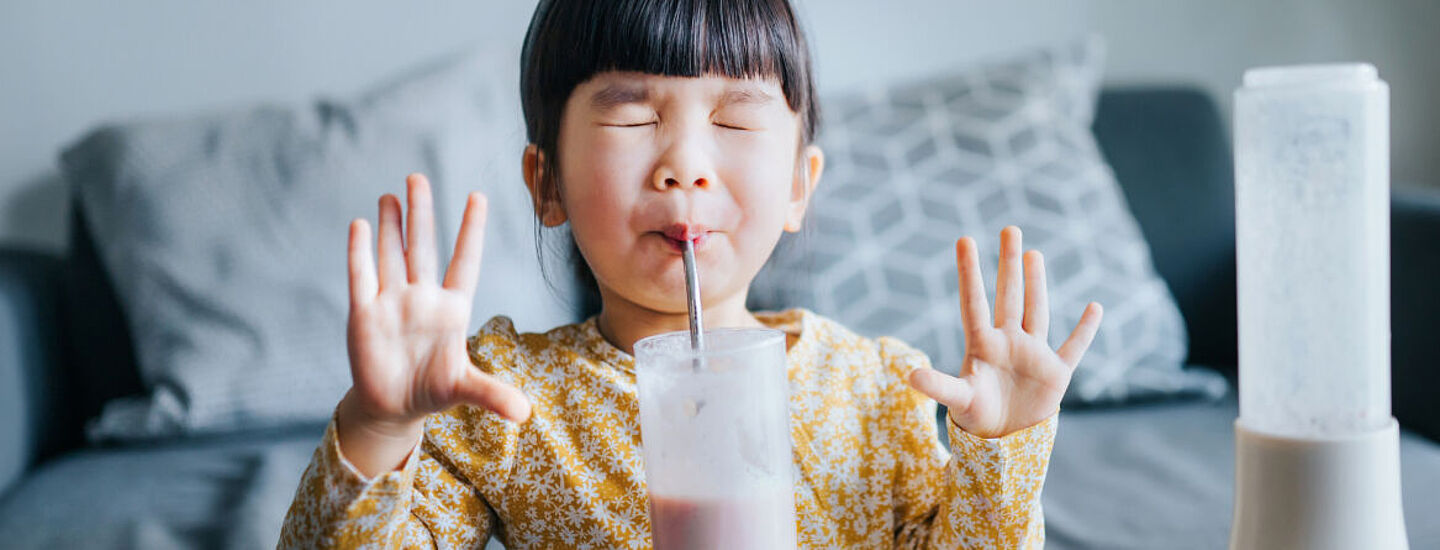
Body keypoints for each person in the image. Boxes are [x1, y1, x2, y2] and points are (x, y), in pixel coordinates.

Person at [279, 0, 1103, 547]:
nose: (685, 165)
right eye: (633, 114)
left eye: (736, 118)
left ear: (797, 187)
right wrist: (379, 428)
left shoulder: (877, 390)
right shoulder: (499, 401)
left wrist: (1001, 457)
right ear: (547, 183)